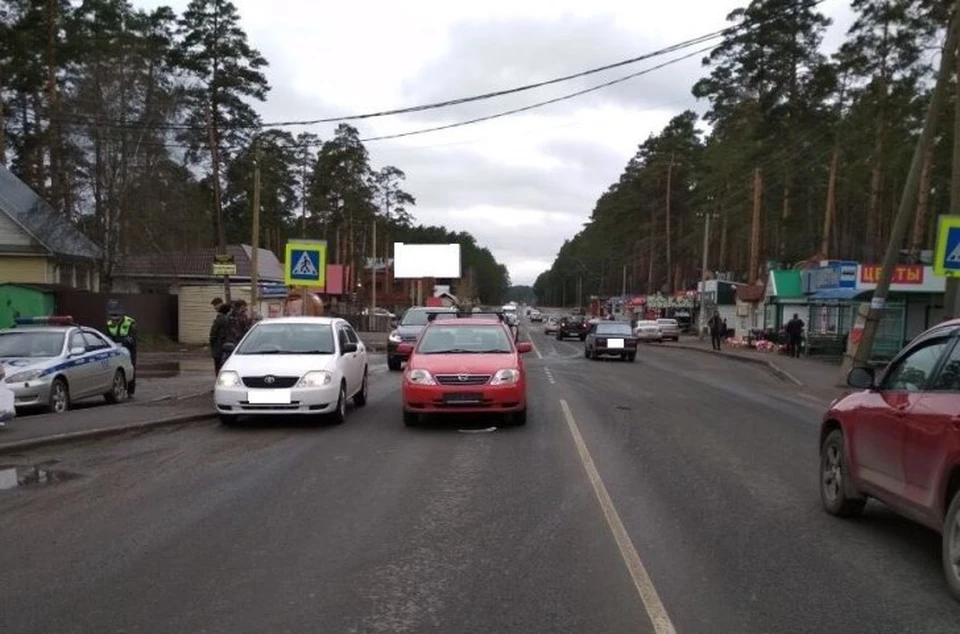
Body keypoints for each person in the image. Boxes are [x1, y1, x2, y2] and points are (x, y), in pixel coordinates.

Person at [106, 300, 138, 395]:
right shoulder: (109, 324)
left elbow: (132, 339)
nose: (114, 319)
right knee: (116, 370)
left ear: (122, 315)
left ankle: (130, 392)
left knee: (130, 369)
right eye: (112, 316)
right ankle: (117, 389)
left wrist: (119, 340)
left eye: (117, 316)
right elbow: (107, 337)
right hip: (115, 350)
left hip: (129, 350)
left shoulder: (130, 323)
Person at [208, 297, 231, 374]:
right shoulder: (226, 317)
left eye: (215, 305)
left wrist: (212, 341)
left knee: (219, 365)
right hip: (223, 346)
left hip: (219, 346)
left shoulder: (221, 318)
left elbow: (213, 334)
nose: (214, 307)